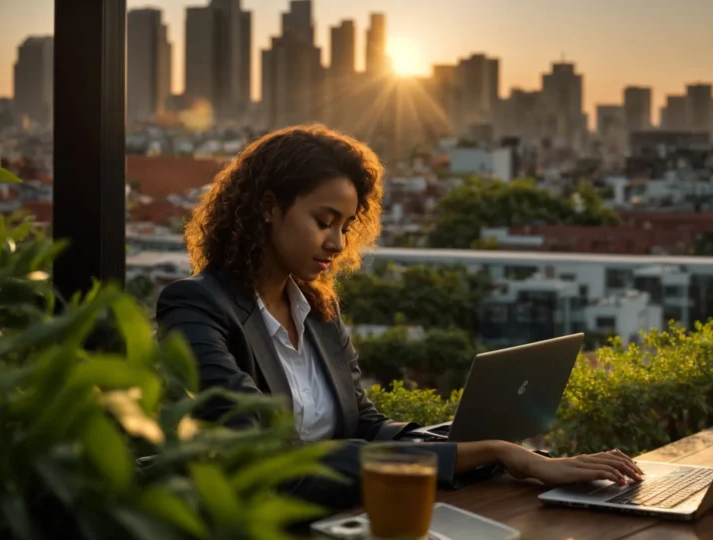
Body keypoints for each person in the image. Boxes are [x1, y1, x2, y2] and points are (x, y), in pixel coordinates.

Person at [156, 125, 642, 508]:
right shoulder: (196, 307)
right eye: (323, 222)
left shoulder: (318, 310)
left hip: (350, 518)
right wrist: (489, 453)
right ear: (267, 207)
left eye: (345, 226)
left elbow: (363, 426)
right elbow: (274, 456)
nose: (337, 243)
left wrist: (480, 445)